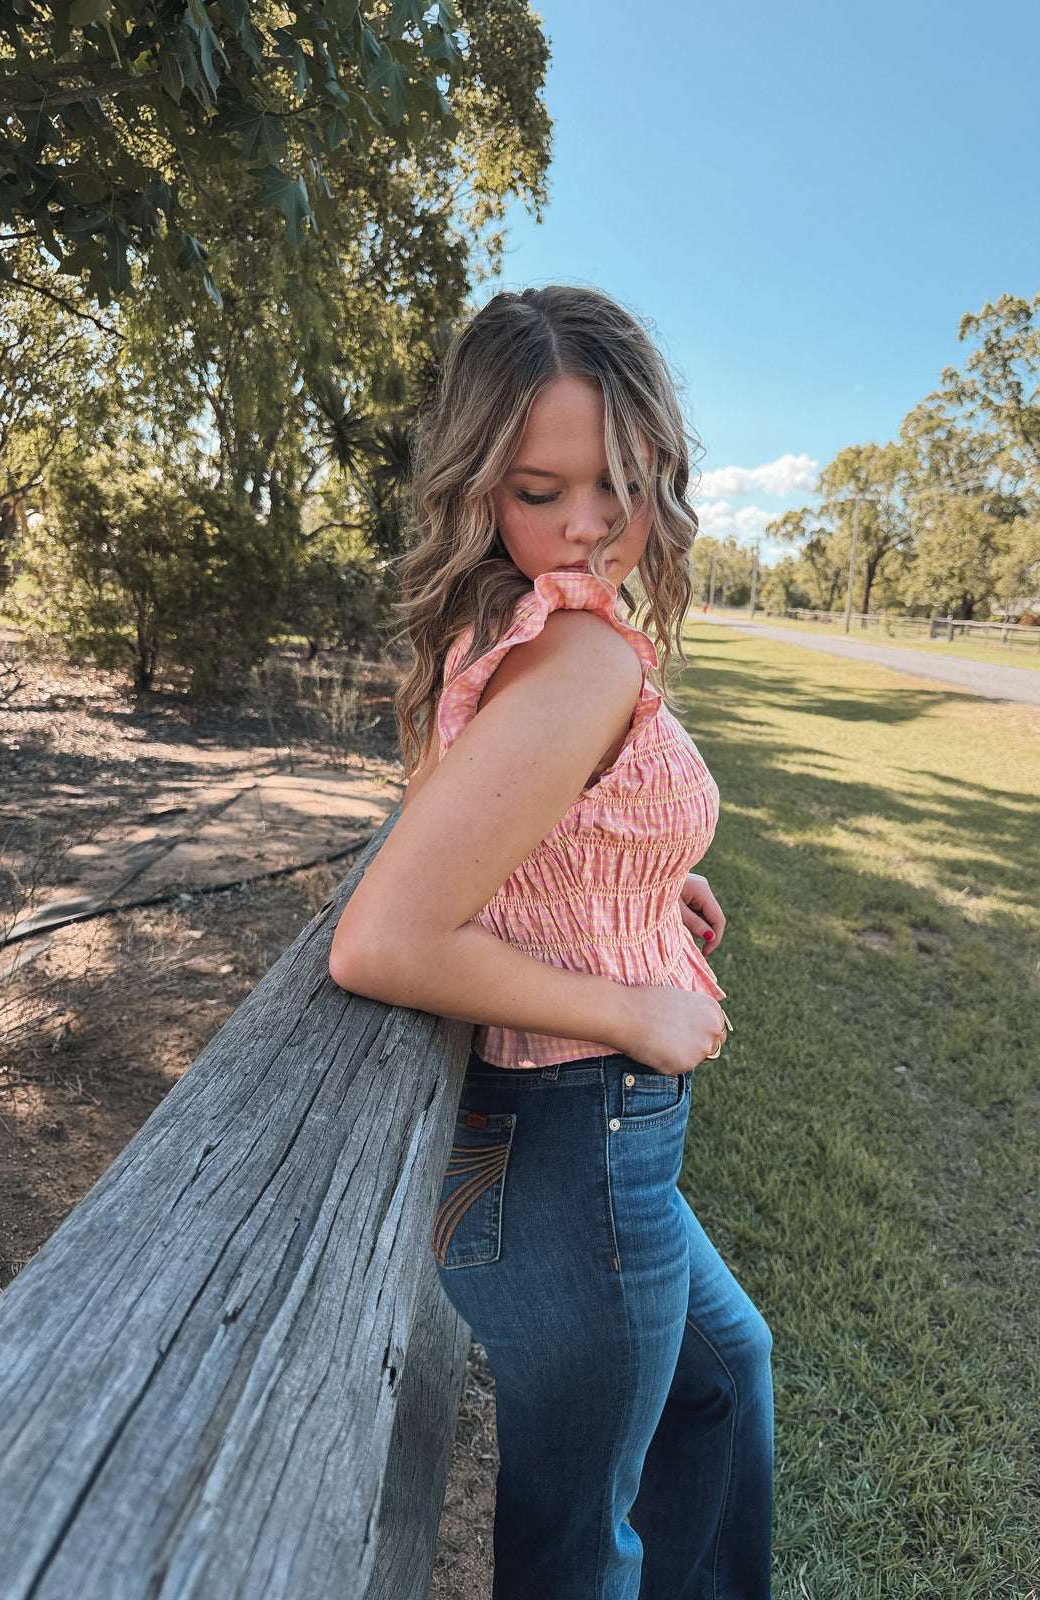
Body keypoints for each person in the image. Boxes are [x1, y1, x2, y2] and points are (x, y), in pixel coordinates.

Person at [329, 285, 774, 1598]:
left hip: (539, 1134)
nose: (586, 526)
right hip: (578, 1125)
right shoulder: (572, 652)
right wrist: (633, 1009)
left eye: (618, 483)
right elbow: (384, 940)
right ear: (482, 485)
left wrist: (641, 889)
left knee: (723, 1369)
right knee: (583, 1540)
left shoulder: (517, 627)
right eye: (540, 490)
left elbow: (517, 828)